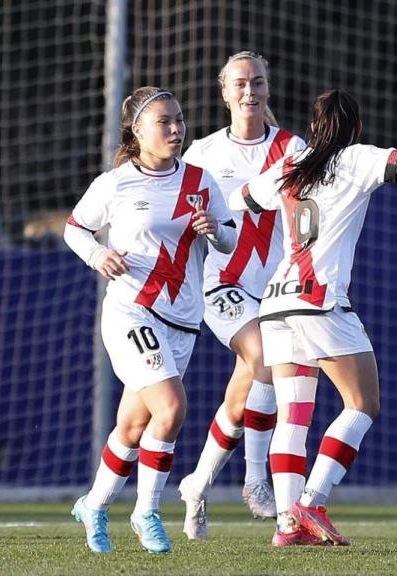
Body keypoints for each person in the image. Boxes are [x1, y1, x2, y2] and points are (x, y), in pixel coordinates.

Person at [228, 89, 397, 546]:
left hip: (276, 303)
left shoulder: (290, 165)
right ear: (354, 128)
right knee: (363, 403)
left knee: (292, 419)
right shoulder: (356, 158)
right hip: (319, 303)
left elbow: (243, 198)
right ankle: (313, 500)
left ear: (314, 128)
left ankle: (287, 527)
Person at [66, 87, 237, 554]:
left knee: (133, 427)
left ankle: (94, 506)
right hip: (131, 311)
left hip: (182, 322)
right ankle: (147, 512)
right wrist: (98, 253)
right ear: (136, 130)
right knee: (172, 408)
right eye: (164, 122)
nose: (176, 129)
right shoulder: (116, 182)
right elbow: (75, 227)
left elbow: (230, 240)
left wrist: (215, 231)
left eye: (179, 120)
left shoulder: (201, 181)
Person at [177, 51, 307, 539]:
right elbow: (176, 217)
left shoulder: (293, 148)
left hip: (276, 286)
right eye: (239, 84)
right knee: (266, 361)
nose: (249, 91)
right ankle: (256, 480)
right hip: (221, 283)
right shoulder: (203, 154)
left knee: (241, 396)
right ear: (224, 92)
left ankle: (196, 484)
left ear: (268, 89)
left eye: (257, 83)